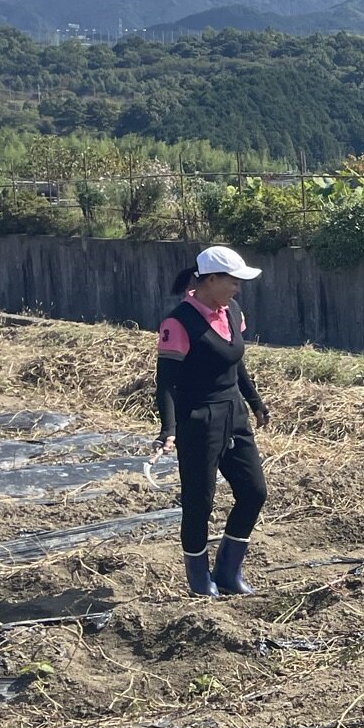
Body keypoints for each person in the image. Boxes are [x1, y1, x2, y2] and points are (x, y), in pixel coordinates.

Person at [155, 245, 270, 597]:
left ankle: (228, 571)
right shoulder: (179, 322)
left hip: (233, 414)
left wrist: (255, 403)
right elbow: (166, 383)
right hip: (198, 419)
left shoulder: (232, 312)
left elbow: (235, 364)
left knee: (253, 492)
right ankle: (199, 580)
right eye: (232, 281)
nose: (237, 288)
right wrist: (168, 429)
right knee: (199, 502)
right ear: (211, 279)